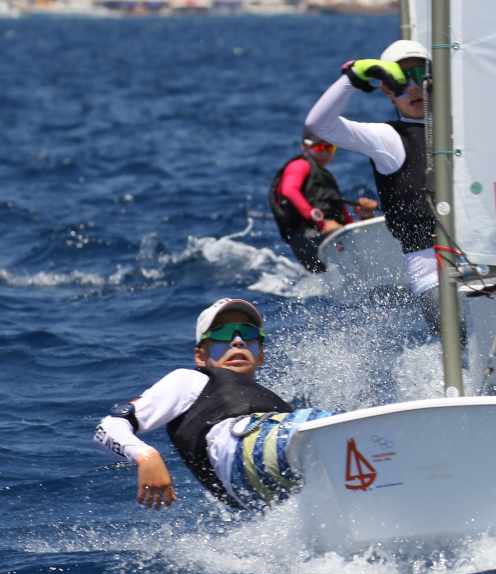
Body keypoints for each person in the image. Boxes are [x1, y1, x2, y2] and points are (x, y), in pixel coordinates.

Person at [93, 298, 333, 510]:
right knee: (321, 425)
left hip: (273, 493)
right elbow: (109, 426)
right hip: (245, 466)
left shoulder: (276, 403)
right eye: (222, 334)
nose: (237, 341)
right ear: (200, 355)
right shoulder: (189, 381)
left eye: (247, 334)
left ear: (260, 354)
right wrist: (146, 457)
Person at [303, 40, 445, 331]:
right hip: (436, 281)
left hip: (489, 267)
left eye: (420, 76)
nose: (414, 89)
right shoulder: (389, 139)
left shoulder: (464, 129)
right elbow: (318, 126)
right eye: (401, 82)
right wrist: (354, 78)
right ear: (387, 91)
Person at [267, 132, 378, 272]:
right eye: (320, 148)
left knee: (362, 238)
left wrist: (365, 218)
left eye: (330, 148)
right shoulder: (300, 165)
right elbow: (289, 190)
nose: (325, 152)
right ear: (305, 148)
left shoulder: (325, 178)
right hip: (307, 237)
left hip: (329, 236)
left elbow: (345, 221)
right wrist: (320, 223)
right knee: (343, 238)